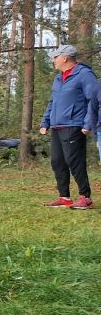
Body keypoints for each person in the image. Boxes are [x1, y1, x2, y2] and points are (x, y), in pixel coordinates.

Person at [41, 45, 98, 209]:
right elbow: (53, 102)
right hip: (57, 126)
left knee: (75, 162)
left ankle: (85, 197)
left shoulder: (84, 75)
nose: (53, 60)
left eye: (55, 57)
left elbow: (94, 100)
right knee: (57, 161)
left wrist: (88, 123)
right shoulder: (59, 78)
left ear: (65, 58)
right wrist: (45, 121)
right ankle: (64, 197)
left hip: (74, 125)